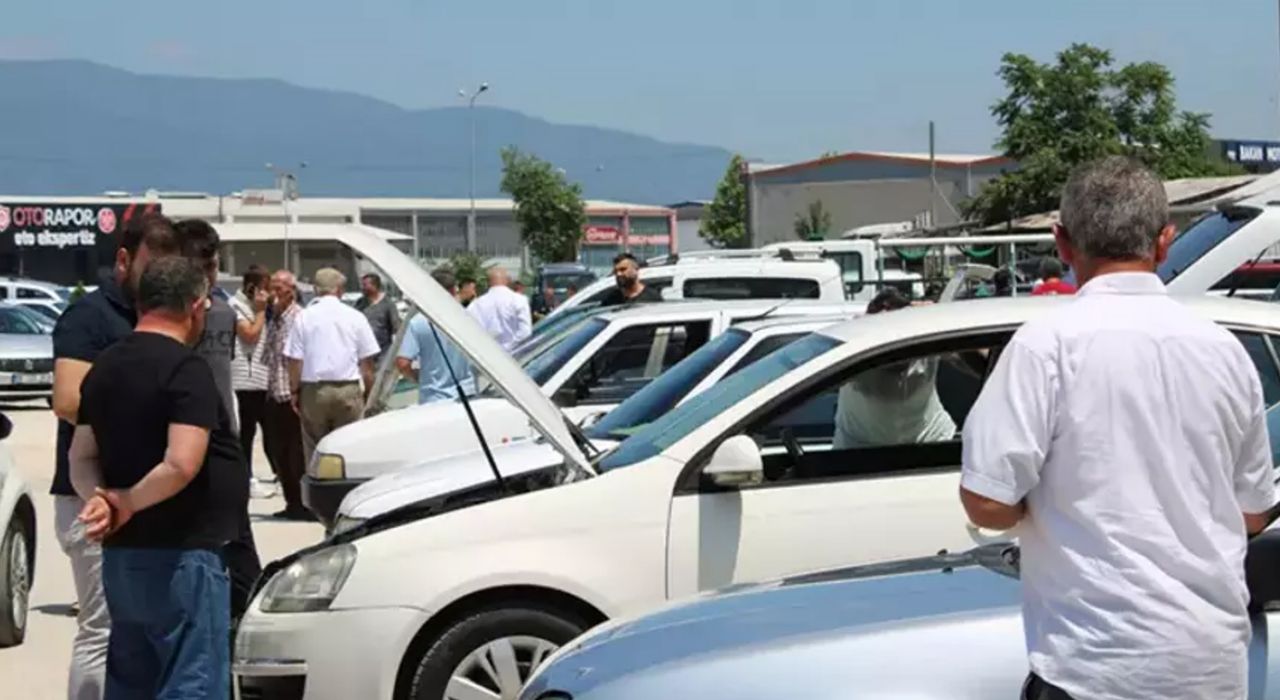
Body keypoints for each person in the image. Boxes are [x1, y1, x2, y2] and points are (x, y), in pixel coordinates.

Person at [959, 156, 1276, 700]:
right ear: (1165, 241)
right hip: (1210, 665)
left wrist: (1053, 505)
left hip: (1093, 665)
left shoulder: (1044, 347)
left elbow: (986, 503)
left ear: (1061, 241)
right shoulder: (1225, 351)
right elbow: (1251, 512)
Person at [69, 256, 245, 699]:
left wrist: (101, 501)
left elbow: (81, 456)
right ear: (196, 306)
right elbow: (181, 463)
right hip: (183, 558)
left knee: (132, 681)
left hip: (124, 560)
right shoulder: (186, 370)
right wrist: (124, 501)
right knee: (192, 682)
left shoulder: (104, 367)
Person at [51, 212, 181, 700]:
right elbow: (67, 398)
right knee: (102, 629)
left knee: (146, 629)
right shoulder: (90, 316)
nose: (161, 282)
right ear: (124, 260)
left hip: (146, 494)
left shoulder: (161, 315)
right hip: (91, 493)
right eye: (153, 269)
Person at [173, 218, 262, 618]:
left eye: (212, 265)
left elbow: (223, 374)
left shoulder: (223, 313)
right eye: (200, 264)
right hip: (186, 437)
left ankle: (244, 615)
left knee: (239, 543)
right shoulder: (172, 316)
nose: (208, 273)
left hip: (226, 435)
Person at [833, 288, 954, 448]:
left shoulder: (927, 340)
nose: (891, 345)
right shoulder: (852, 350)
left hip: (930, 442)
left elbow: (975, 354)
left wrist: (940, 317)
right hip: (859, 452)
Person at [285, 268, 381, 466]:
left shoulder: (304, 317)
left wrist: (294, 391)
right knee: (351, 448)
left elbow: (295, 360)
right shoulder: (355, 316)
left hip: (314, 391)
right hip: (348, 389)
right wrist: (370, 393)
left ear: (315, 289)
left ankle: (317, 491)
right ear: (340, 289)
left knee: (315, 450)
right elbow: (367, 363)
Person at [261, 269, 309, 520]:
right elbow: (268, 356)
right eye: (272, 287)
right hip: (273, 392)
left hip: (291, 394)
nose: (274, 293)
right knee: (277, 450)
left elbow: (298, 359)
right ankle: (291, 502)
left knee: (296, 452)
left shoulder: (300, 318)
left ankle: (302, 503)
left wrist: (296, 391)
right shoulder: (275, 318)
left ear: (291, 290)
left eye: (279, 288)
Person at [397, 269, 474, 404]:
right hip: (467, 396)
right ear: (453, 290)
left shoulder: (418, 322)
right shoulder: (468, 318)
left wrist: (417, 377)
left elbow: (403, 363)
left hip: (434, 397)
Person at [229, 265, 275, 484]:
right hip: (245, 379)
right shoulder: (236, 306)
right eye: (264, 288)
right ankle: (245, 475)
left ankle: (277, 472)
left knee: (271, 430)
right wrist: (259, 311)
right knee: (247, 432)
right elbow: (249, 335)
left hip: (263, 376)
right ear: (252, 288)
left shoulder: (263, 307)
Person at [467, 266, 531, 351]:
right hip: (515, 354)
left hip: (487, 355)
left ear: (488, 282)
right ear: (507, 280)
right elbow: (525, 332)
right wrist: (508, 347)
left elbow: (470, 331)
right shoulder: (520, 300)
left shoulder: (476, 304)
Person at [355, 272, 400, 356]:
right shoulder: (360, 303)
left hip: (383, 350)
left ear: (375, 285)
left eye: (365, 285)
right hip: (364, 350)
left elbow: (396, 327)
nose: (362, 288)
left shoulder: (387, 304)